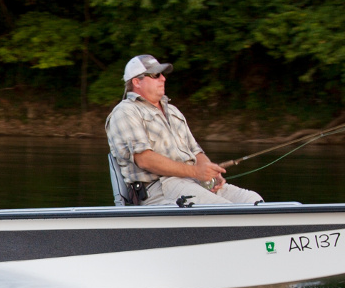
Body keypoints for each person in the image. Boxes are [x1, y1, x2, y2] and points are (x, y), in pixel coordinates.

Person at [105, 54, 263, 206]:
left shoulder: (173, 111)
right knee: (224, 208)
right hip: (159, 189)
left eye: (162, 75)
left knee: (253, 200)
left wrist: (209, 173)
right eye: (156, 75)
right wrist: (196, 172)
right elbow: (144, 159)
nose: (163, 78)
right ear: (136, 82)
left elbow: (196, 151)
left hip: (192, 182)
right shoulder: (125, 112)